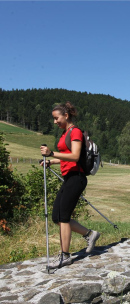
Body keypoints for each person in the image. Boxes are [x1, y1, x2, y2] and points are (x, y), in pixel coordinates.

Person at [40, 101, 100, 269]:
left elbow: (74, 156)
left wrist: (51, 153)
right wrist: (51, 161)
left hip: (77, 177)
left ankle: (65, 255)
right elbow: (66, 156)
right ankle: (90, 234)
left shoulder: (75, 132)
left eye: (56, 118)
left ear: (66, 116)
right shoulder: (66, 132)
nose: (54, 122)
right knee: (56, 217)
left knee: (63, 216)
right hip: (69, 177)